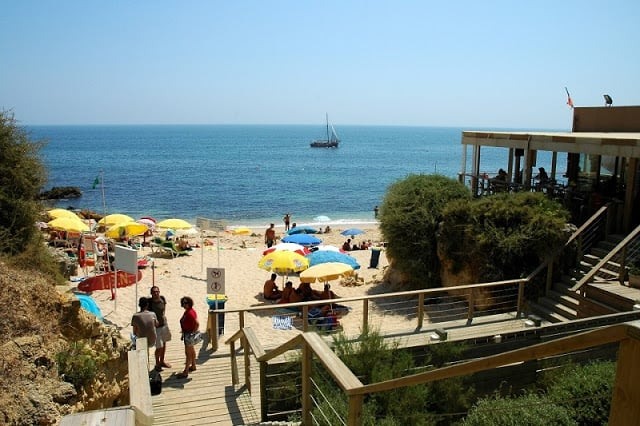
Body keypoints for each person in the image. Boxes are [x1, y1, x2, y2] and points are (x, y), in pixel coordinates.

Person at [149, 286, 172, 371]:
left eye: (157, 291)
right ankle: (157, 364)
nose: (156, 293)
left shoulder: (162, 299)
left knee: (164, 344)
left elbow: (163, 310)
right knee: (159, 347)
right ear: (151, 293)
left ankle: (162, 361)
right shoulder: (150, 303)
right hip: (156, 328)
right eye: (154, 292)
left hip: (164, 325)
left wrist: (163, 318)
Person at [177, 296, 199, 378]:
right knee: (192, 351)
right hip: (187, 333)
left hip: (189, 334)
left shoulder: (190, 313)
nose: (184, 305)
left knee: (188, 353)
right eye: (183, 303)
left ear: (189, 303)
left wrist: (193, 333)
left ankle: (185, 371)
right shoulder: (189, 311)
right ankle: (193, 365)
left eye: (186, 303)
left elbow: (197, 323)